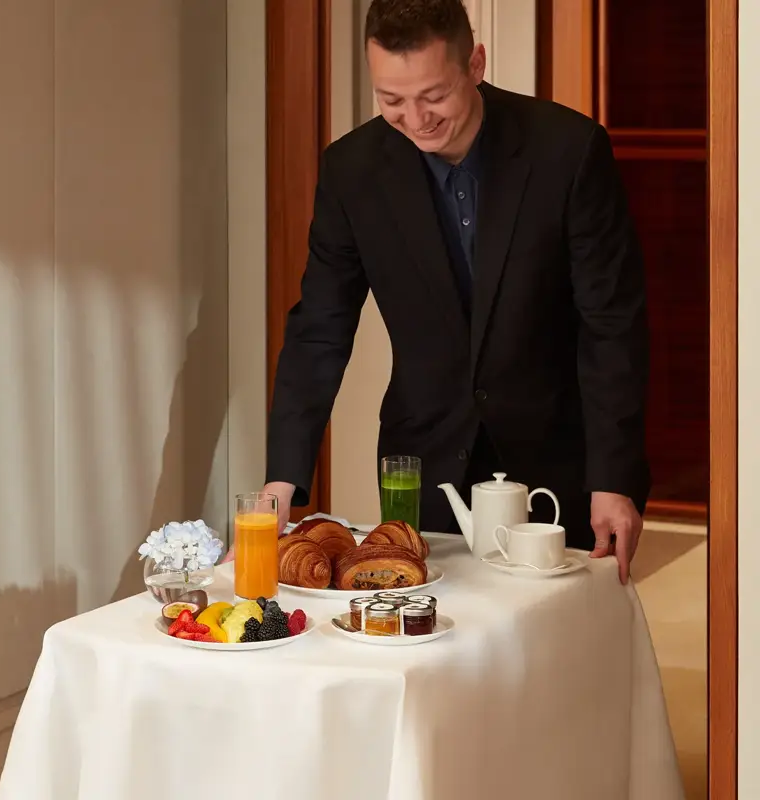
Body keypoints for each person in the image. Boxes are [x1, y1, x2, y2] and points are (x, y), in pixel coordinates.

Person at [260, 0, 650, 584]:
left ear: (476, 64)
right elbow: (321, 322)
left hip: (553, 463)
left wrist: (614, 476)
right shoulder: (352, 171)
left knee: (551, 658)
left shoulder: (567, 151)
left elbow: (612, 323)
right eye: (392, 100)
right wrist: (285, 474)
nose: (416, 119)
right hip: (422, 464)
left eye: (433, 95)